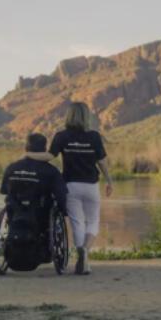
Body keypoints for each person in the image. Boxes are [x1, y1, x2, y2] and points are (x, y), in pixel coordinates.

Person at [49, 101, 112, 275]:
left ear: (69, 116)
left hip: (70, 185)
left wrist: (30, 156)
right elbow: (102, 162)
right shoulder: (94, 136)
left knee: (77, 222)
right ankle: (85, 252)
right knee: (93, 221)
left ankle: (82, 255)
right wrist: (109, 180)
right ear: (86, 116)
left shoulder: (61, 136)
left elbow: (50, 155)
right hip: (91, 185)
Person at [0, 132, 68, 234]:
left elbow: (4, 190)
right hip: (41, 218)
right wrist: (63, 211)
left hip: (14, 216)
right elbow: (61, 195)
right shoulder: (51, 171)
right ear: (45, 150)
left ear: (26, 148)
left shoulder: (12, 168)